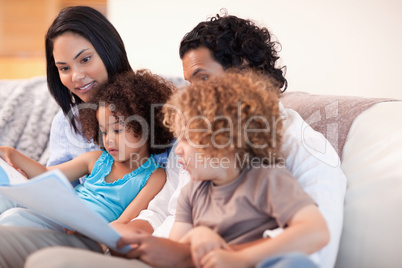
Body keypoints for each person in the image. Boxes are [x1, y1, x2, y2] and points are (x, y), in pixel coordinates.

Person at [1, 11, 346, 268]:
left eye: (202, 79)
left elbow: (314, 249)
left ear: (243, 71)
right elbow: (166, 206)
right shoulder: (195, 145)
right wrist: (130, 230)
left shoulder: (298, 148)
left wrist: (210, 254)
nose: (192, 95)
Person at [166, 71, 329, 268]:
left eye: (186, 138)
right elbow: (171, 256)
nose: (177, 150)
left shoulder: (268, 179)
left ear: (222, 139)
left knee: (296, 262)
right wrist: (195, 234)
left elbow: (316, 231)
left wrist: (241, 259)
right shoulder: (191, 194)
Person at [0, 5, 135, 213]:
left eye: (85, 59)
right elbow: (55, 182)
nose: (76, 76)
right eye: (64, 68)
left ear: (110, 51)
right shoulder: (67, 122)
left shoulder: (147, 109)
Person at [0, 70, 174, 230]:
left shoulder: (155, 175)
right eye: (104, 131)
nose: (108, 139)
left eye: (117, 130)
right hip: (61, 218)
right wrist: (12, 153)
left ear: (145, 128)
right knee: (11, 209)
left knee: (14, 218)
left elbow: (123, 222)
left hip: (89, 234)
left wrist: (95, 236)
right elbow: (45, 174)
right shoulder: (96, 159)